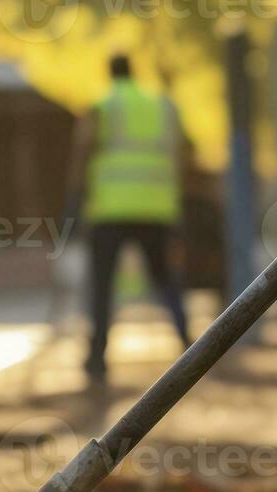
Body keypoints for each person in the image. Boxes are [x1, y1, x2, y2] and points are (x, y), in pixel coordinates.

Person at [69, 54, 192, 384]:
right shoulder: (160, 107)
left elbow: (83, 149)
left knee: (102, 285)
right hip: (157, 210)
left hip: (110, 211)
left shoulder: (103, 106)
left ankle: (97, 358)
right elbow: (182, 154)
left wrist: (75, 198)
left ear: (109, 72)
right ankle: (188, 344)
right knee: (165, 280)